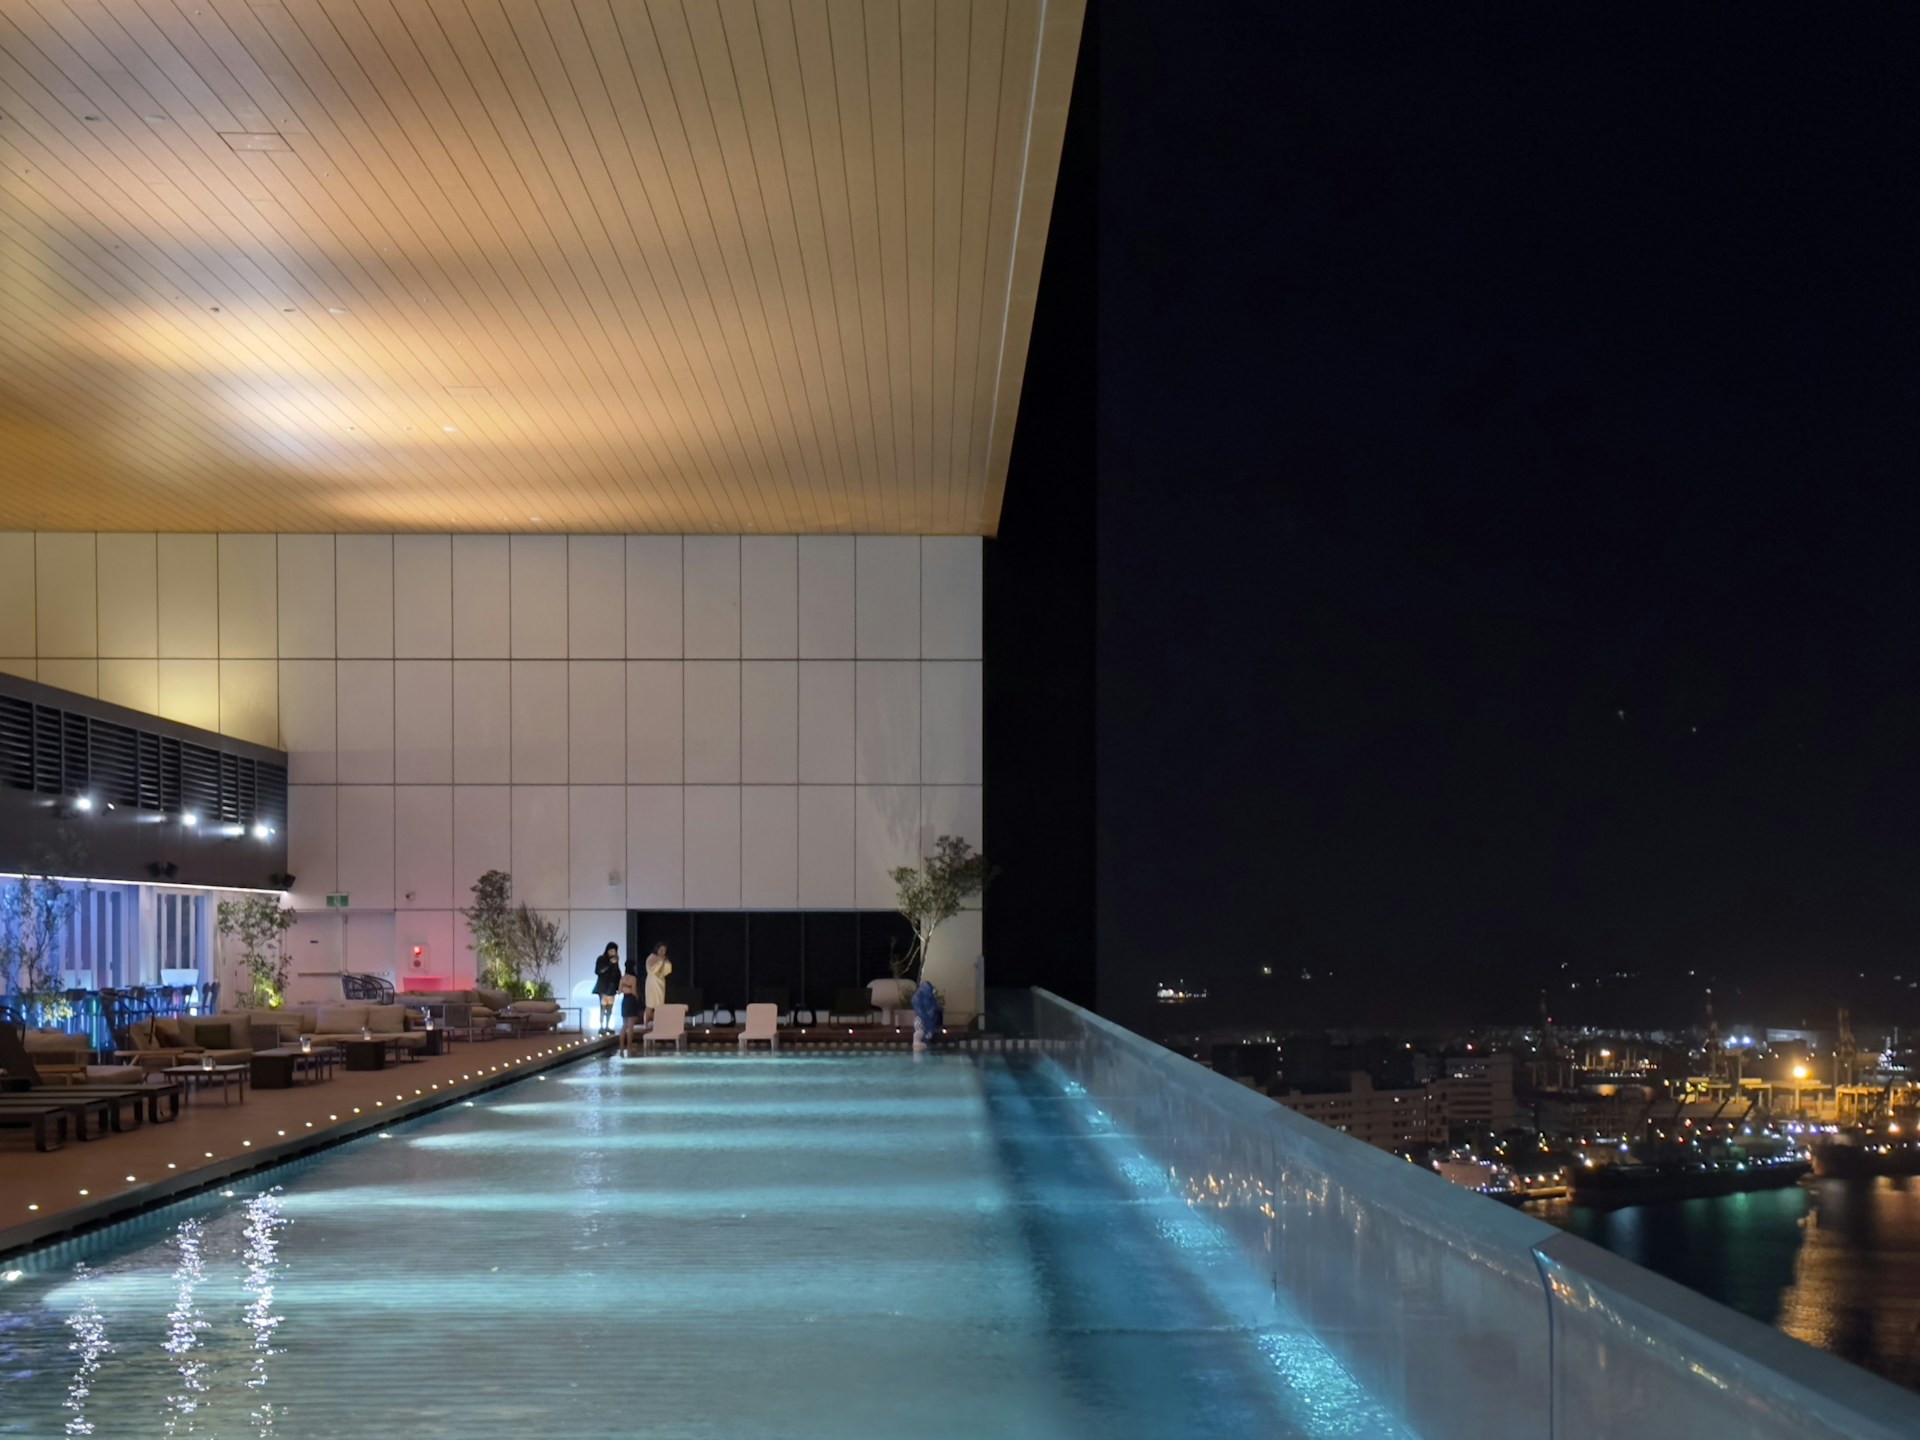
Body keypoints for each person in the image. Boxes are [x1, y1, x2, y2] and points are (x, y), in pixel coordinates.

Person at [591, 943, 621, 1034]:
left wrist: (619, 986)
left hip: (612, 988)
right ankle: (601, 1026)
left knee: (610, 1008)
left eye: (614, 951)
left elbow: (618, 974)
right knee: (603, 1007)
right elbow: (598, 971)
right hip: (603, 987)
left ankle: (607, 1026)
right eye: (611, 950)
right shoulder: (601, 959)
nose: (612, 953)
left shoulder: (616, 962)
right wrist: (609, 964)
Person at [617, 956, 644, 1055]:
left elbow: (619, 991)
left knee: (624, 1025)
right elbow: (633, 991)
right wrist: (638, 998)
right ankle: (629, 1047)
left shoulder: (622, 978)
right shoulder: (633, 978)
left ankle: (621, 1048)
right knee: (630, 1026)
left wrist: (625, 987)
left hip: (624, 1000)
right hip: (631, 1000)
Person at [644, 943, 672, 1017]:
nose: (663, 952)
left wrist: (664, 962)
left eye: (664, 950)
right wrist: (660, 962)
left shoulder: (665, 960)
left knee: (659, 1004)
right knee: (650, 1004)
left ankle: (658, 1022)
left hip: (660, 983)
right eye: (661, 949)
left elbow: (667, 971)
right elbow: (652, 970)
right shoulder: (651, 957)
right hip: (652, 982)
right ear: (657, 949)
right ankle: (645, 1023)